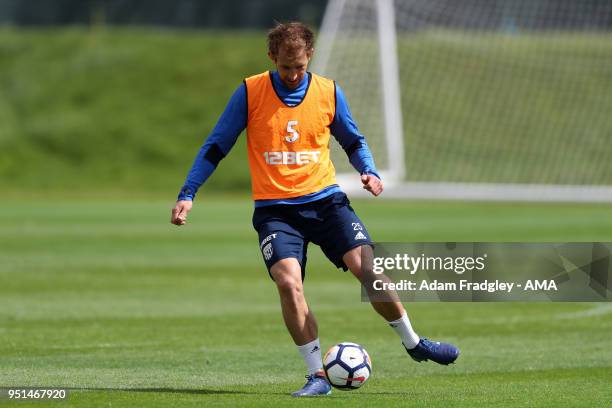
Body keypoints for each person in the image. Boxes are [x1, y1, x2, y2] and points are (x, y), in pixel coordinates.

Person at [171, 22, 459, 397]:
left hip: (326, 202)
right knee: (289, 283)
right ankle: (317, 376)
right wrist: (188, 192)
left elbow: (352, 140)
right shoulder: (250, 91)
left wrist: (368, 170)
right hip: (276, 211)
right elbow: (216, 145)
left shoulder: (328, 92)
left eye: (300, 67)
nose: (292, 75)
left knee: (368, 270)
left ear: (310, 58)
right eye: (286, 67)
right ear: (272, 57)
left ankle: (413, 342)